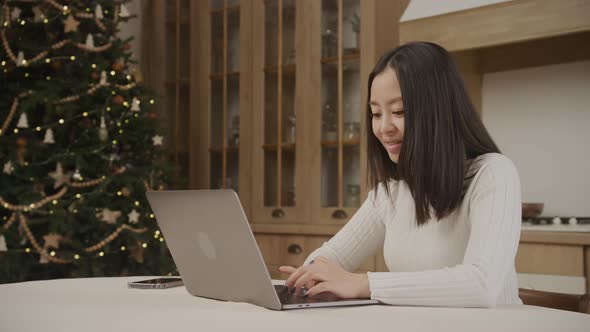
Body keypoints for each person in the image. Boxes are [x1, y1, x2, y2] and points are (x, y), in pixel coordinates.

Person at [278, 42, 522, 307]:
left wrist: (363, 284)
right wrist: (310, 275)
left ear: (438, 112)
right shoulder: (391, 192)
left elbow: (481, 284)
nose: (383, 128)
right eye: (375, 113)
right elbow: (332, 257)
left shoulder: (493, 173)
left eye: (398, 112)